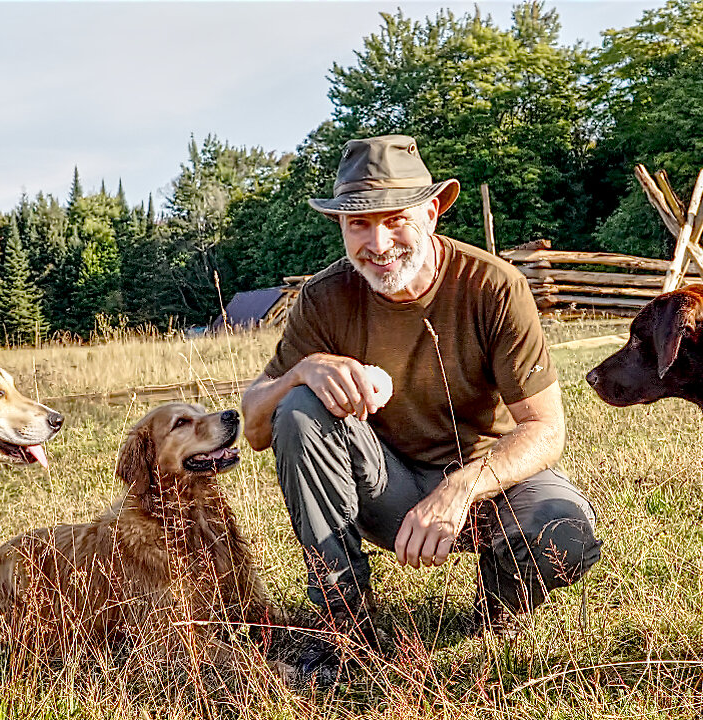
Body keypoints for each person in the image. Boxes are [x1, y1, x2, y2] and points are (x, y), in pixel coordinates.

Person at [240, 134, 602, 660]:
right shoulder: (324, 298)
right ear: (341, 226)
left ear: (431, 212)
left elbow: (546, 428)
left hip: (488, 485)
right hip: (386, 488)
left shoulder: (492, 286)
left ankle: (501, 605)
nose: (378, 243)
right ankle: (345, 624)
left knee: (563, 536)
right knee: (296, 409)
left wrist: (459, 490)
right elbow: (253, 425)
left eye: (395, 219)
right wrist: (303, 370)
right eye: (359, 223)